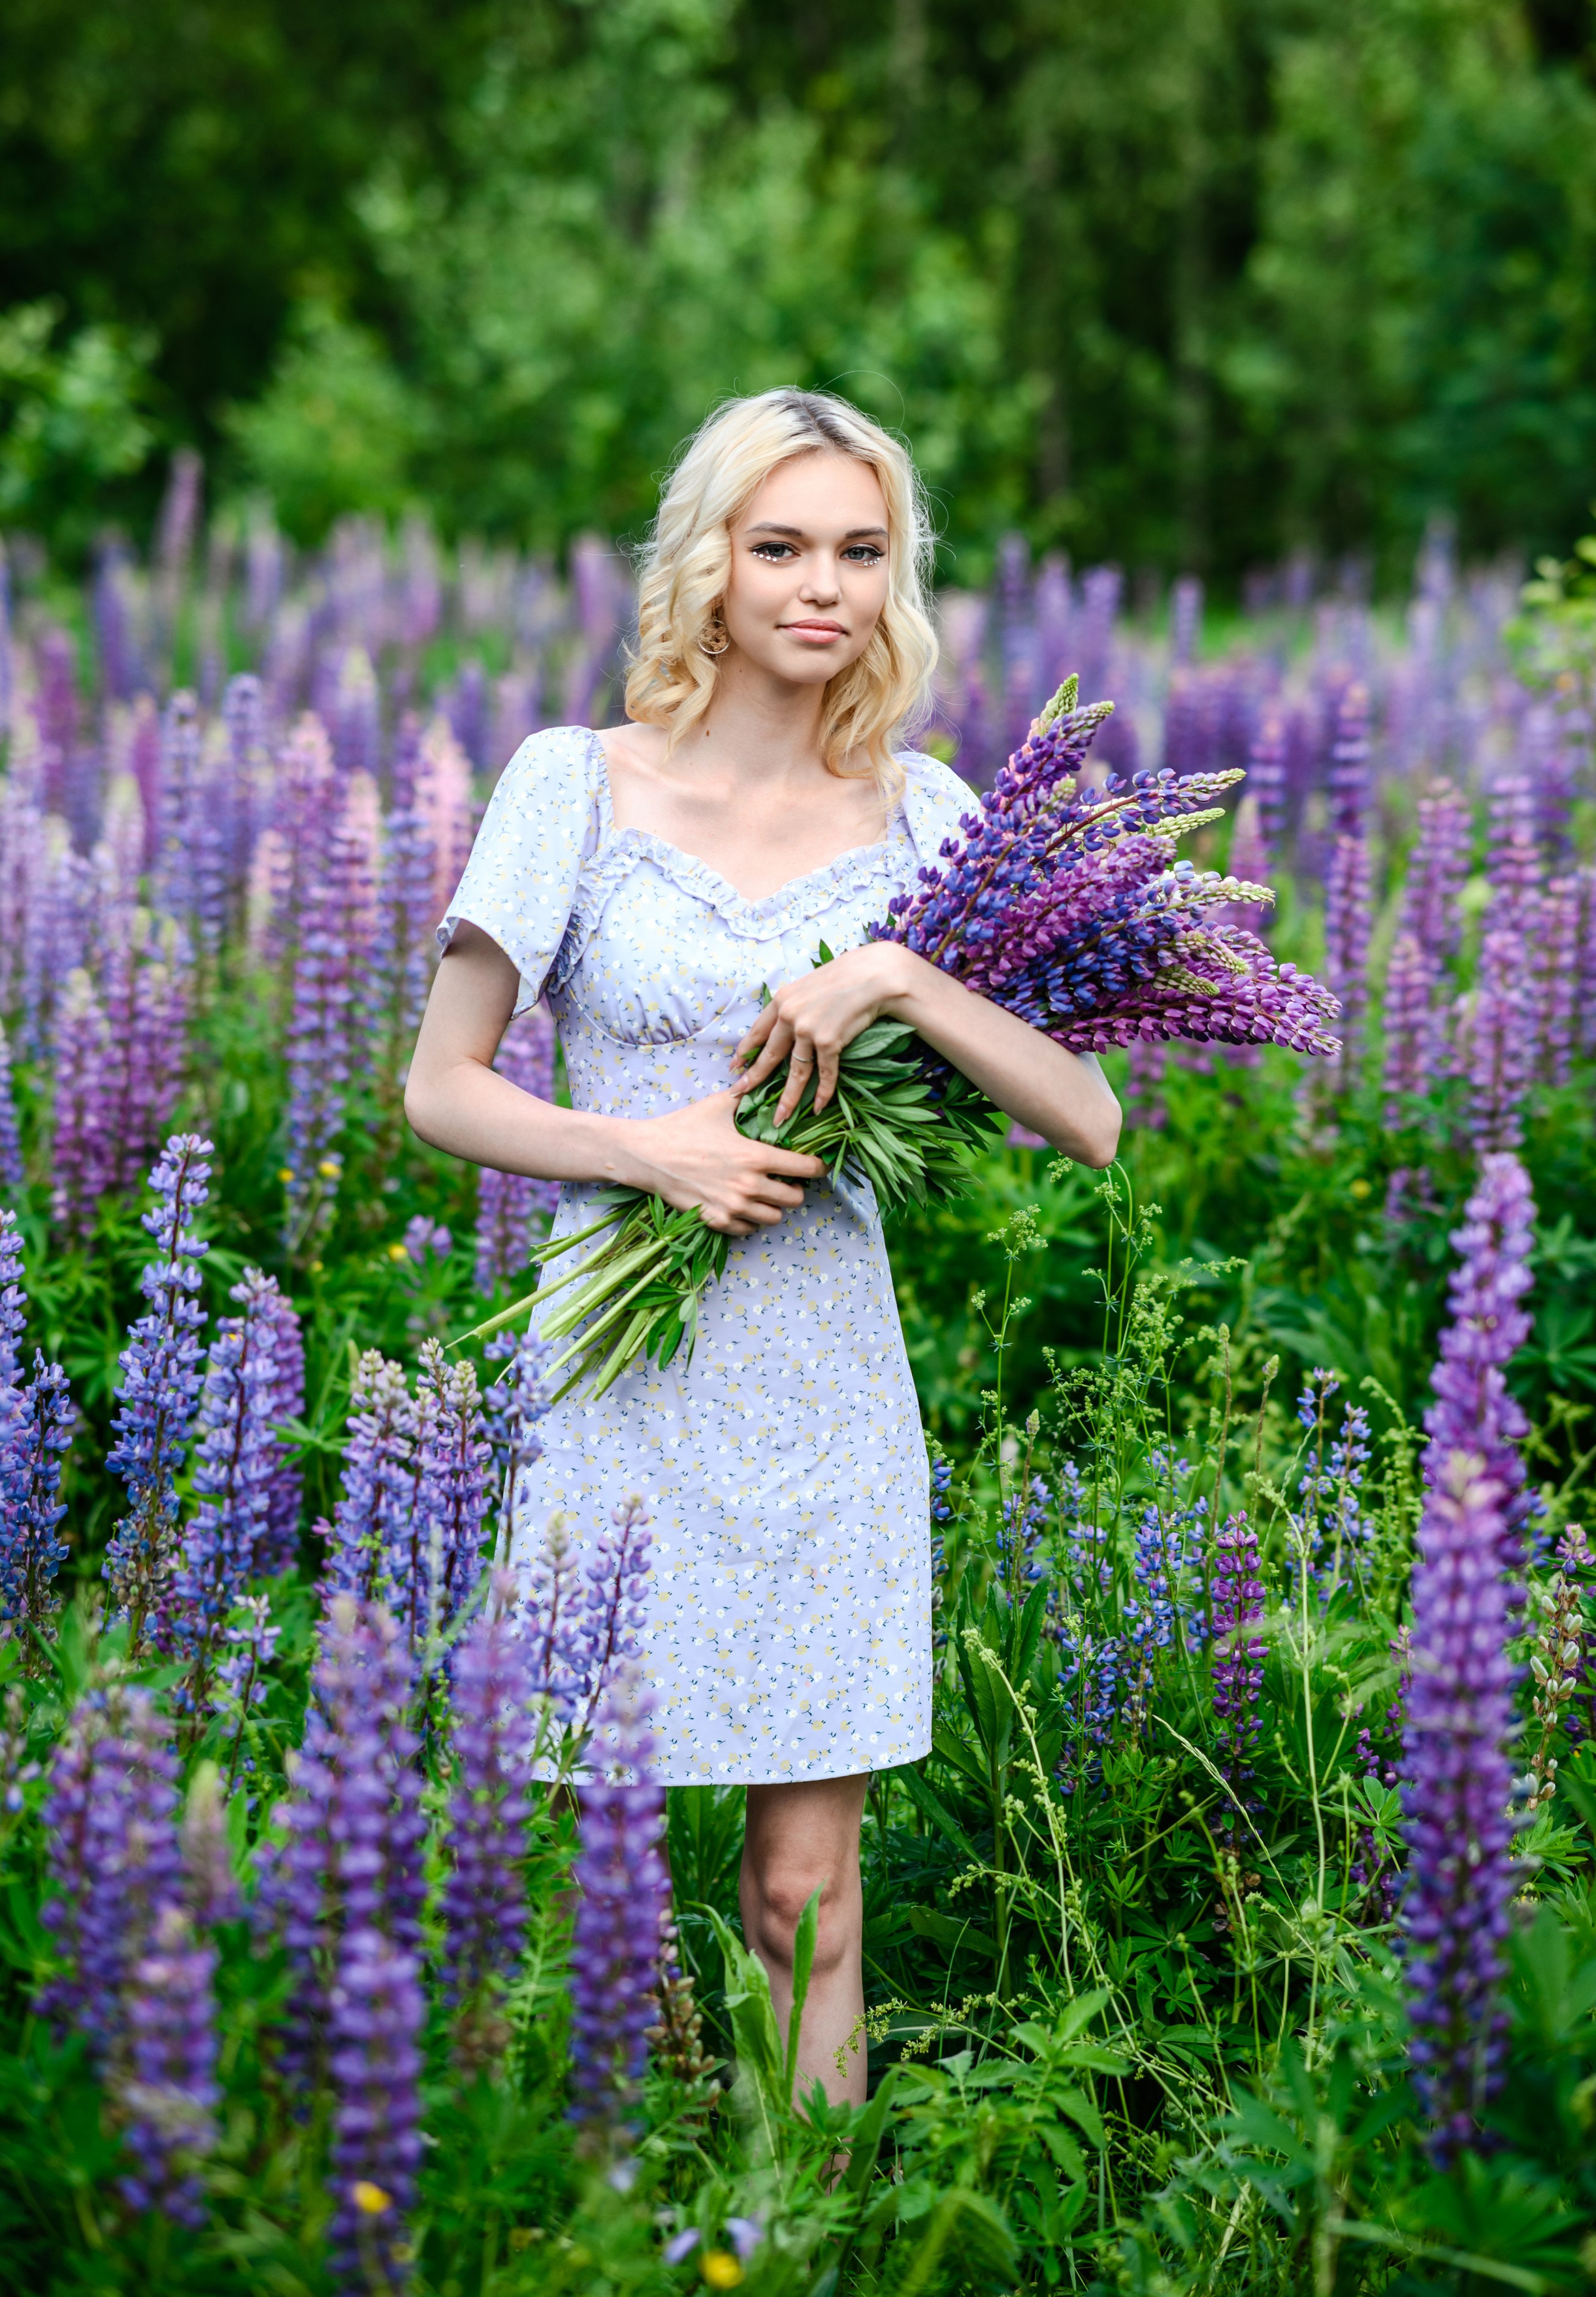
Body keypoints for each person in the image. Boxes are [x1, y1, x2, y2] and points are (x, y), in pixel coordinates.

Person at [406, 386, 1121, 2113]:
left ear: (899, 578)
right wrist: (649, 1149)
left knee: (806, 1890)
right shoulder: (570, 783)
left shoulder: (928, 811)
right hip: (616, 1375)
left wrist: (899, 975)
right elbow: (438, 1086)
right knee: (586, 1884)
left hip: (823, 1395)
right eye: (779, 543)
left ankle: (806, 2230)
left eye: (862, 551)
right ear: (706, 564)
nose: (822, 584)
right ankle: (569, 2207)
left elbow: (1089, 1112)